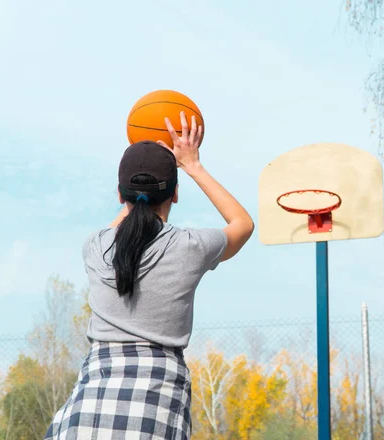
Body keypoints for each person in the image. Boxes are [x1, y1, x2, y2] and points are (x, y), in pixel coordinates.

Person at [44, 112, 254, 439]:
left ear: (118, 195)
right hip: (155, 404)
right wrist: (193, 164)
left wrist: (135, 185)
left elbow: (122, 224)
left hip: (87, 413)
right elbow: (242, 224)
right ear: (175, 194)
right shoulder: (190, 247)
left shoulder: (94, 247)